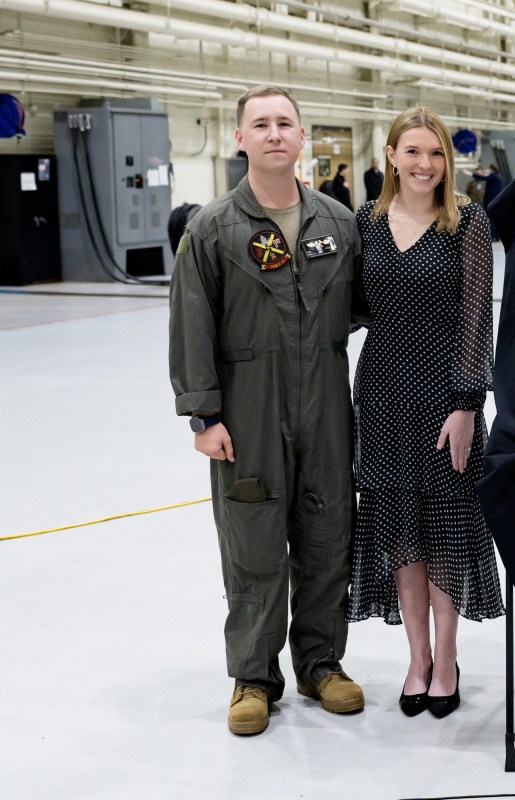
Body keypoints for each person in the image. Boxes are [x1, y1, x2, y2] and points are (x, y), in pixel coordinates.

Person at [168, 85, 367, 736]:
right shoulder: (212, 229)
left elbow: (365, 307)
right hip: (247, 410)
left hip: (326, 404)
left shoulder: (338, 224)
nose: (275, 133)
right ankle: (253, 677)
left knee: (328, 533)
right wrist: (204, 416)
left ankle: (321, 663)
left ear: (302, 136)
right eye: (261, 124)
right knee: (252, 543)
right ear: (241, 139)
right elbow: (191, 323)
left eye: (285, 122)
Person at [348, 106, 504, 719]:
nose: (425, 164)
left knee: (445, 528)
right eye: (412, 151)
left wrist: (467, 404)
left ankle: (447, 660)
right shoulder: (366, 221)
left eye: (436, 153)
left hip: (445, 396)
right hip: (383, 392)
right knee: (401, 530)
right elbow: (352, 305)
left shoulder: (466, 221)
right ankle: (417, 659)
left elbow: (476, 317)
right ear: (390, 157)